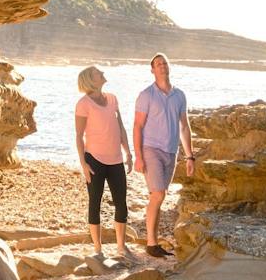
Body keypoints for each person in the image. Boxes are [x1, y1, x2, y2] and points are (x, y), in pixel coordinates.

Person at [132, 53, 193, 258]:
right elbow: (137, 126)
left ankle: (153, 241)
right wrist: (138, 156)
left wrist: (190, 156)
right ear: (152, 70)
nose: (162, 66)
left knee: (159, 196)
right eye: (158, 64)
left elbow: (184, 127)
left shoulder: (180, 95)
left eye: (165, 63)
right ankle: (151, 243)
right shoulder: (146, 95)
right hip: (151, 149)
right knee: (157, 194)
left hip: (171, 151)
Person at [74, 65, 133, 262]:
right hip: (94, 160)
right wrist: (83, 163)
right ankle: (98, 250)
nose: (102, 74)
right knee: (95, 203)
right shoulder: (83, 104)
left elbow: (121, 127)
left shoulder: (113, 98)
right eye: (98, 73)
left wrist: (128, 152)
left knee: (121, 204)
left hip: (116, 160)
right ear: (90, 79)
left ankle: (121, 247)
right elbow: (79, 135)